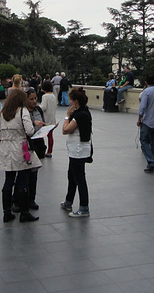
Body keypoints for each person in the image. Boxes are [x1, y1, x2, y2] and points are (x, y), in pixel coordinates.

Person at [0, 89, 41, 223]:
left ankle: (7, 212)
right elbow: (29, 131)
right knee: (23, 180)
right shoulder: (22, 112)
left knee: (8, 180)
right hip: (20, 147)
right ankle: (24, 212)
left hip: (5, 147)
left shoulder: (2, 113)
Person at [60, 87, 93, 218]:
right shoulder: (83, 112)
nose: (69, 103)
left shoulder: (80, 115)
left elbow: (66, 129)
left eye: (71, 100)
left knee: (79, 178)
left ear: (75, 101)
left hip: (78, 151)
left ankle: (84, 207)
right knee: (72, 175)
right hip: (76, 150)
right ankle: (69, 201)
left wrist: (67, 116)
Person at [40, 80, 57, 157]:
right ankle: (50, 151)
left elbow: (43, 107)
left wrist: (38, 107)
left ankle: (42, 149)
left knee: (42, 135)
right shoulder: (53, 96)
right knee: (50, 136)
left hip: (45, 119)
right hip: (52, 119)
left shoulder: (45, 96)